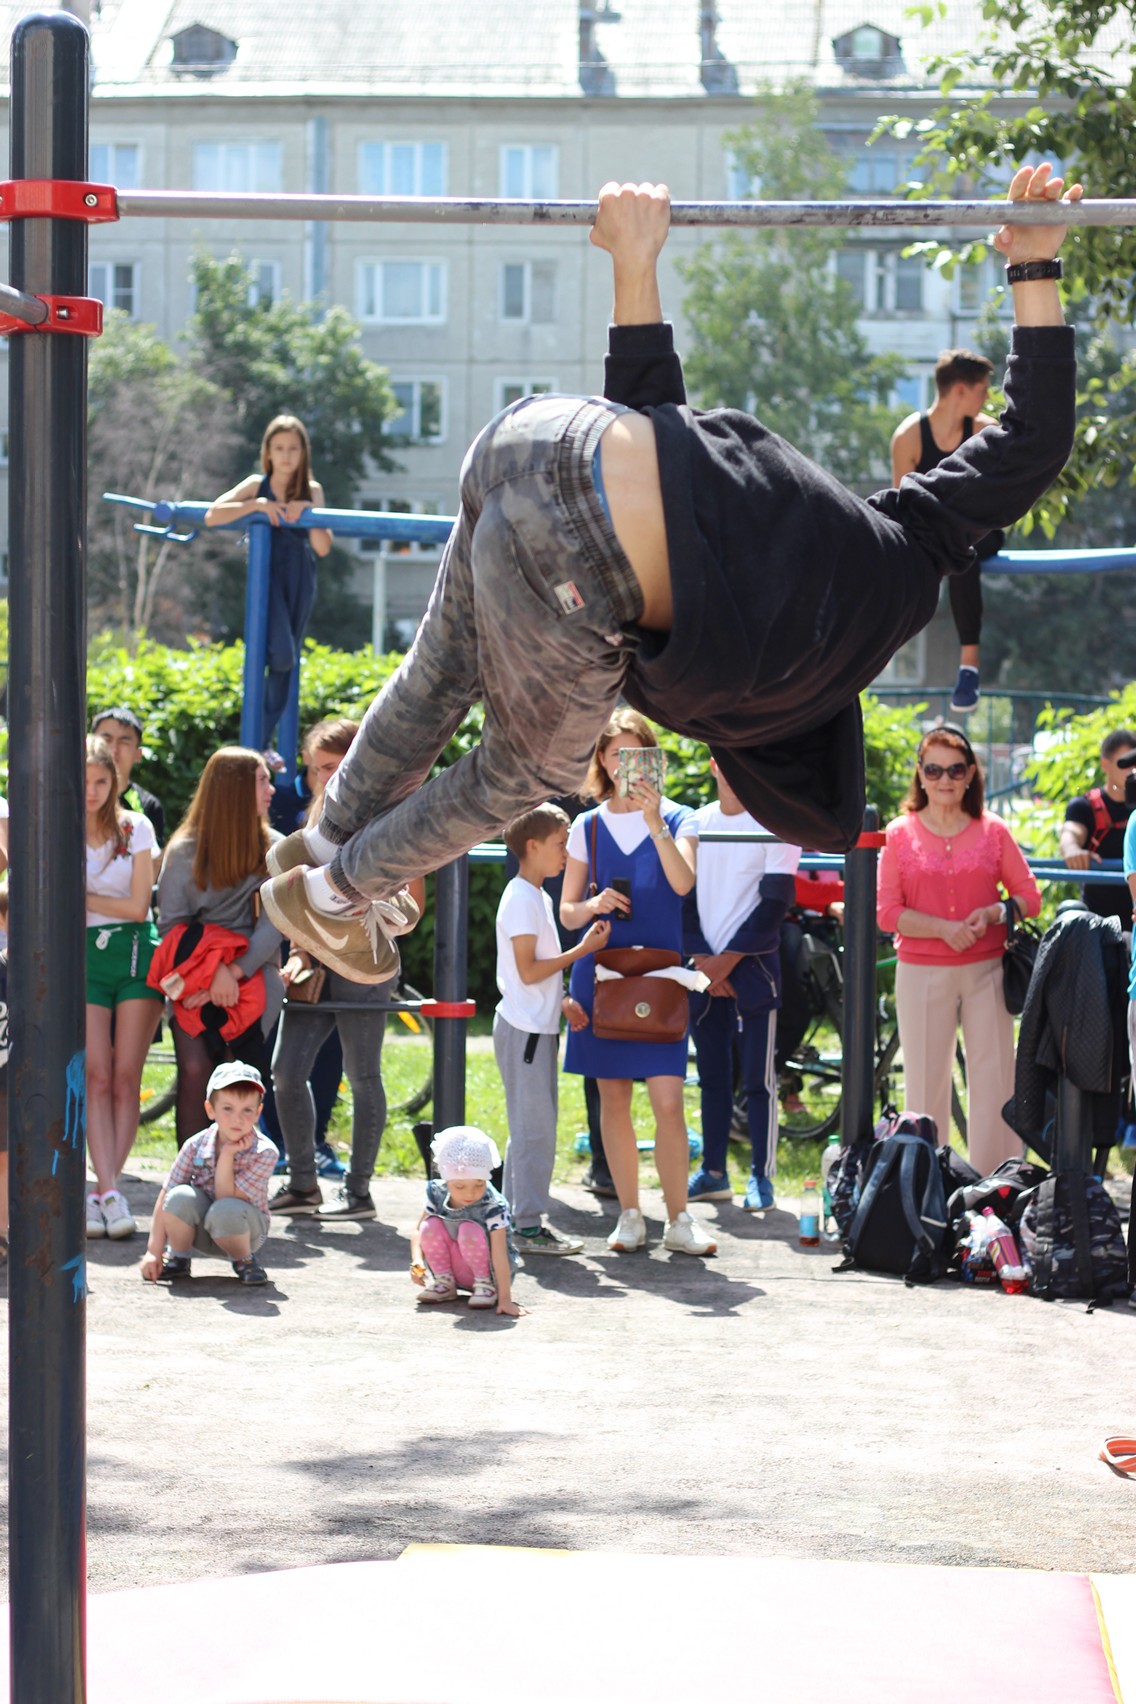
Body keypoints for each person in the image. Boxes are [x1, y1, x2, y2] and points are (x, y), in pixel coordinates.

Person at [259, 164, 1079, 986]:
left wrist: (1033, 263)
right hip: (575, 546)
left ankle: (323, 837)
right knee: (531, 766)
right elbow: (633, 553)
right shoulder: (713, 703)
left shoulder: (893, 547)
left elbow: (1032, 441)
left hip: (535, 432)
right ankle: (335, 888)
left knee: (441, 670)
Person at [559, 709, 715, 1256]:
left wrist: (654, 822)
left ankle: (679, 1219)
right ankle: (630, 1214)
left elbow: (682, 882)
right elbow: (567, 913)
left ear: (655, 759)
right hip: (602, 973)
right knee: (613, 1099)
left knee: (669, 1101)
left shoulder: (680, 819)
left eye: (637, 754)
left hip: (661, 976)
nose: (628, 766)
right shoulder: (587, 825)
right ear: (602, 759)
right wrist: (591, 904)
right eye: (617, 755)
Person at [269, 718, 426, 1221]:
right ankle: (302, 1182)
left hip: (365, 962)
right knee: (286, 1071)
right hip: (315, 961)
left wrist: (363, 910)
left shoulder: (392, 818)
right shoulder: (320, 821)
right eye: (317, 770)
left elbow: (412, 911)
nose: (325, 780)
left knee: (362, 1074)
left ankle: (358, 1190)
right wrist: (299, 948)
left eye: (335, 768)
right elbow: (295, 901)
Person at [877, 724, 1042, 1176]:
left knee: (995, 1084)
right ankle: (925, 1185)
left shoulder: (994, 832)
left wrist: (992, 912)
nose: (944, 778)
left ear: (970, 774)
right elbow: (886, 912)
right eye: (934, 769)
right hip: (920, 973)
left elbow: (1030, 897)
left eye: (954, 769)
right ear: (920, 774)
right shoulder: (897, 833)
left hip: (987, 970)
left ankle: (1000, 1185)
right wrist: (942, 929)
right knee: (925, 1085)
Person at [684, 757, 800, 1212]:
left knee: (758, 1081)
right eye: (726, 760)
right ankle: (713, 1172)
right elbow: (681, 894)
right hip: (704, 971)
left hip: (751, 975)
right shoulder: (694, 822)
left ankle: (761, 1176)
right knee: (711, 1079)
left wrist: (725, 966)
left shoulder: (777, 823)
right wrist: (703, 962)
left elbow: (774, 904)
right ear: (714, 764)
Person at [153, 748, 284, 1147]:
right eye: (262, 780)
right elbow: (171, 924)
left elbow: (276, 922)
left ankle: (236, 1176)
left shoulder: (277, 848)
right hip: (193, 977)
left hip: (256, 976)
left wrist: (237, 970)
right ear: (235, 789)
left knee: (241, 1081)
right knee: (194, 1070)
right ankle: (189, 1178)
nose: (272, 790)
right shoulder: (184, 850)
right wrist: (213, 973)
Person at [495, 802, 610, 1254]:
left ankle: (514, 1219)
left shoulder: (536, 895)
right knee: (533, 1131)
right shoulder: (523, 898)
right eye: (561, 845)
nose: (566, 853)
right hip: (525, 1032)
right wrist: (582, 950)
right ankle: (526, 1227)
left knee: (529, 1128)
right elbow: (527, 970)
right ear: (533, 845)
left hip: (534, 1029)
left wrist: (560, 1001)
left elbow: (531, 971)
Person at [204, 415, 333, 745]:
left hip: (300, 576)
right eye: (279, 448)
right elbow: (213, 515)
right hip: (266, 575)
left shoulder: (312, 490)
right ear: (268, 452)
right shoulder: (255, 485)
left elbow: (322, 547)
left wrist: (308, 513)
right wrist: (256, 507)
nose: (286, 455)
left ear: (304, 452)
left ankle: (263, 742)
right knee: (280, 654)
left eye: (293, 448)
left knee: (286, 664)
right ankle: (256, 742)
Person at [890, 350, 1002, 714]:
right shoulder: (908, 437)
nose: (987, 397)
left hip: (979, 533)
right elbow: (902, 508)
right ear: (959, 390)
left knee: (960, 546)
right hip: (931, 537)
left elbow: (999, 497)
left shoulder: (986, 432)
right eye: (982, 389)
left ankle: (969, 665)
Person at [85, 735, 163, 1240]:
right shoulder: (57, 824)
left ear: (116, 780)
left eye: (101, 780)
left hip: (136, 954)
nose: (91, 791)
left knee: (125, 1076)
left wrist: (85, 896)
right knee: (95, 1074)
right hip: (85, 958)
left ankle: (106, 1191)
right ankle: (106, 1189)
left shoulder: (137, 826)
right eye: (85, 781)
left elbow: (139, 907)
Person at [140, 1061, 276, 1287]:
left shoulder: (265, 1151)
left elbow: (226, 1199)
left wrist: (227, 1155)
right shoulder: (196, 1144)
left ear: (258, 1112)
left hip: (246, 1231)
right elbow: (166, 1193)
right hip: (204, 1231)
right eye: (228, 1108)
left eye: (247, 1110)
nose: (237, 1118)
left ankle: (244, 1260)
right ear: (210, 1109)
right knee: (179, 1196)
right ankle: (178, 1257)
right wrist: (153, 1251)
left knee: (225, 1210)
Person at [408, 1126, 522, 1315]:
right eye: (459, 1186)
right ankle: (444, 1282)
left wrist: (505, 1300)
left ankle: (485, 1286)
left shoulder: (493, 1204)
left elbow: (500, 1252)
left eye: (479, 1184)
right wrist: (417, 1260)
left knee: (469, 1229)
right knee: (430, 1225)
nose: (470, 1193)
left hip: (489, 1272)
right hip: (454, 1266)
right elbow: (418, 1230)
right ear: (446, 1179)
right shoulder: (437, 1191)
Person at [1059, 728, 1136, 930]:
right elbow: (1071, 833)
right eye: (1125, 763)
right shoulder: (1084, 806)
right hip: (1098, 927)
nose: (1132, 770)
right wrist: (1072, 850)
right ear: (1105, 765)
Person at [90, 706, 166, 855]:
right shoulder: (73, 797)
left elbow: (153, 865)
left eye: (124, 742)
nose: (113, 749)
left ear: (138, 754)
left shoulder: (147, 807)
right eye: (106, 739)